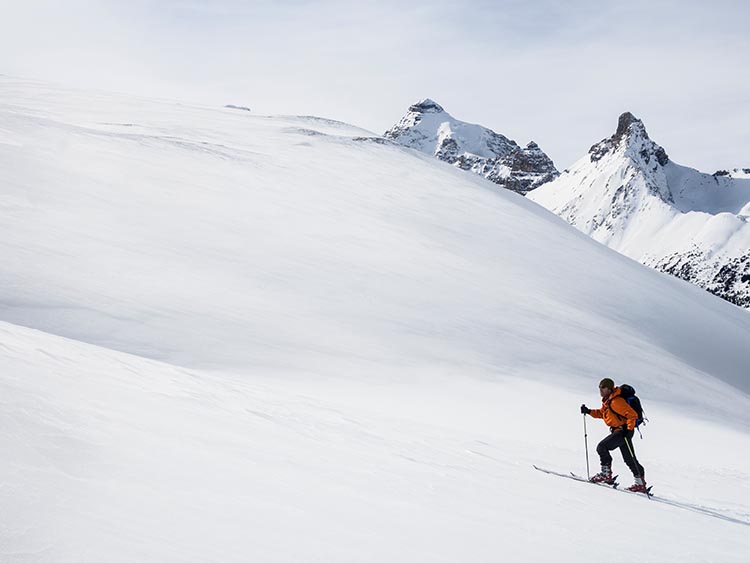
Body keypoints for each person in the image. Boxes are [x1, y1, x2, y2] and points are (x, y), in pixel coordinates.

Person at [580, 378, 647, 493]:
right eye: (599, 387)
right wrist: (589, 411)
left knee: (602, 447)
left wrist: (629, 430)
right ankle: (640, 484)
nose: (600, 390)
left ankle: (606, 475)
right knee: (629, 458)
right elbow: (602, 413)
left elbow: (632, 415)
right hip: (621, 431)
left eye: (603, 388)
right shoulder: (608, 401)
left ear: (609, 389)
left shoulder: (616, 401)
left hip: (622, 431)